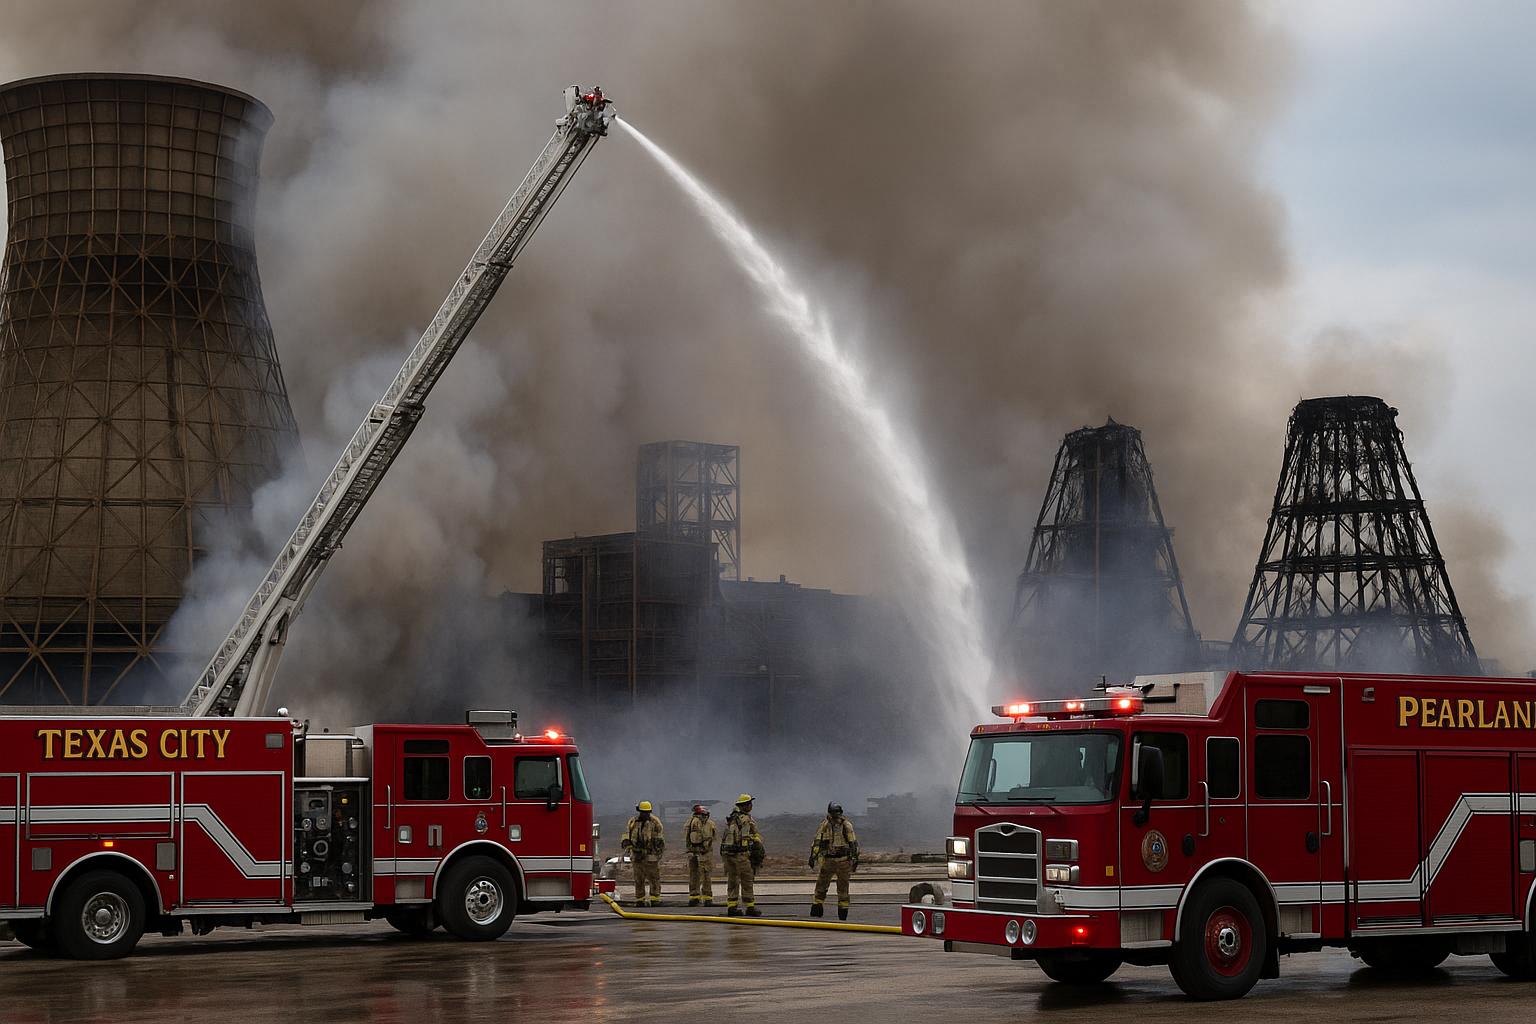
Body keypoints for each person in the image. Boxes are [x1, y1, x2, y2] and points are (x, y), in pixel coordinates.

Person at [808, 802, 859, 920]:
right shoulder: (824, 825)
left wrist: (855, 859)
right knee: (821, 885)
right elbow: (817, 842)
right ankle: (817, 909)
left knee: (843, 888)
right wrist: (813, 856)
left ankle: (843, 912)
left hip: (843, 862)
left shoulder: (847, 826)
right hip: (828, 861)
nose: (836, 817)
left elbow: (853, 843)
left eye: (837, 813)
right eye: (833, 814)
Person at [721, 794, 764, 917]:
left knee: (732, 880)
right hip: (741, 854)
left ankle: (732, 907)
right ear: (745, 805)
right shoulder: (745, 819)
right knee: (747, 879)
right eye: (749, 803)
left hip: (728, 854)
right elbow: (745, 837)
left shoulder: (732, 818)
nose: (751, 805)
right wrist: (756, 843)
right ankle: (750, 907)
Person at [621, 800, 665, 907]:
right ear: (639, 811)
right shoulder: (633, 821)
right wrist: (626, 842)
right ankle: (640, 899)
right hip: (636, 855)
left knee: (654, 877)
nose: (645, 815)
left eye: (647, 813)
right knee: (638, 878)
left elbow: (660, 839)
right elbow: (627, 833)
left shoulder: (655, 822)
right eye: (643, 812)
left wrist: (658, 852)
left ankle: (655, 899)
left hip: (650, 854)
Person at [684, 804, 717, 907]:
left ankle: (699, 898)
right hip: (699, 852)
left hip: (698, 852)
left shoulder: (691, 822)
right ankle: (701, 898)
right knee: (700, 875)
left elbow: (713, 837)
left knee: (699, 875)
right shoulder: (699, 823)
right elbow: (713, 838)